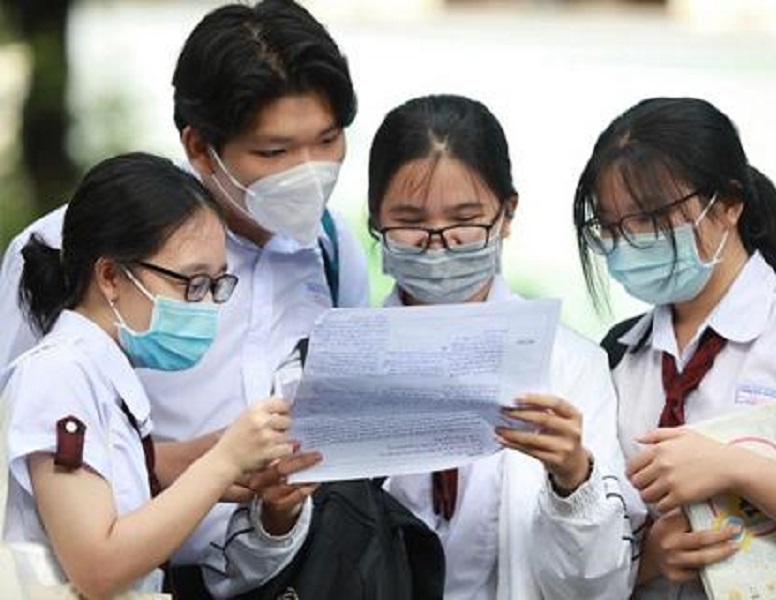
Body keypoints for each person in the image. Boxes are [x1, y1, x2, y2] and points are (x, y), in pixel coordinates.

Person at [0, 1, 369, 596]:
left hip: (275, 566)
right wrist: (219, 464)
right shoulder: (64, 249)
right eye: (274, 152)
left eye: (327, 140)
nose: (308, 172)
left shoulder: (329, 248)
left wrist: (248, 474)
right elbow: (23, 439)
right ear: (200, 145)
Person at [572, 97, 776, 598]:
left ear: (728, 204)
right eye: (612, 227)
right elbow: (587, 552)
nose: (630, 242)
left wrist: (736, 469)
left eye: (651, 217)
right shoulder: (618, 355)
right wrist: (650, 559)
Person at [367, 93, 645, 599]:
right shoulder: (335, 364)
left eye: (464, 220)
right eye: (410, 222)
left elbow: (598, 588)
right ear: (375, 219)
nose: (439, 243)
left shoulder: (570, 365)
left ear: (507, 214)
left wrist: (573, 478)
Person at [1, 152, 304, 597]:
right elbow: (98, 568)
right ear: (110, 276)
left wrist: (229, 462)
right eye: (192, 283)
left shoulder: (101, 375)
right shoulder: (58, 374)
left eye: (216, 284)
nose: (207, 305)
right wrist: (222, 462)